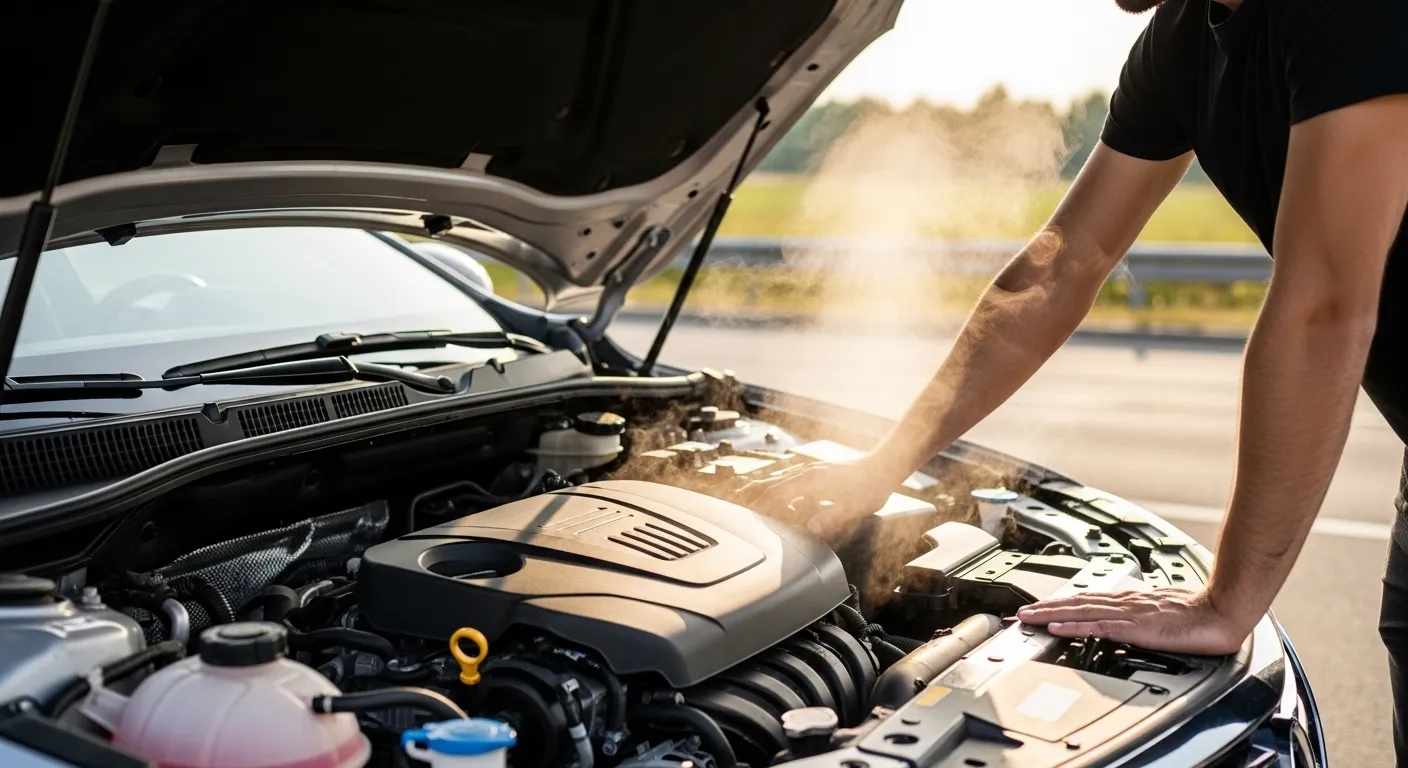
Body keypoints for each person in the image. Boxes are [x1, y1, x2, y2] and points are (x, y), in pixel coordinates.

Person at [740, 0, 1408, 756]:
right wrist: (883, 466)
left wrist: (1227, 603)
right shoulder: (1182, 43)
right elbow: (1058, 268)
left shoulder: (1353, 13)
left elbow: (1323, 308)